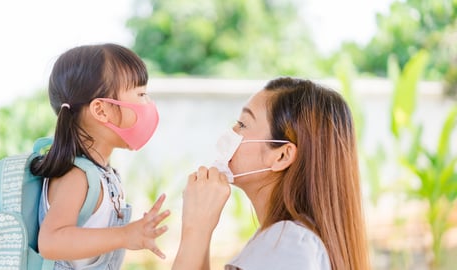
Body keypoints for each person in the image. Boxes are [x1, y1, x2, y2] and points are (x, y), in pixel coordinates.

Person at [172, 77, 370, 270]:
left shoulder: (290, 246)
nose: (231, 131)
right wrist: (201, 228)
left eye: (242, 125)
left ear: (282, 156)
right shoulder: (286, 240)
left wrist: (195, 229)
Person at [31, 43, 170, 269]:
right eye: (141, 94)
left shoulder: (103, 173)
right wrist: (125, 235)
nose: (149, 104)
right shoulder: (76, 176)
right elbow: (50, 241)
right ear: (101, 110)